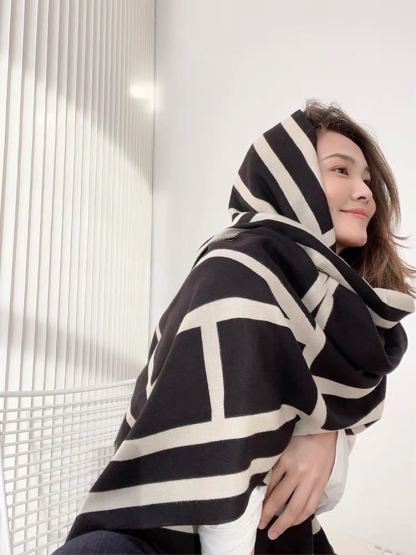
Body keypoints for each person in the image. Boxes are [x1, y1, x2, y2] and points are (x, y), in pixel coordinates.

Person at [53, 100, 415, 555]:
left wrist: (325, 431)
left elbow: (317, 489)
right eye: (341, 170)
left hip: (269, 534)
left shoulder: (338, 311)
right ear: (290, 178)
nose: (365, 192)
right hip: (164, 533)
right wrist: (322, 426)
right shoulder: (239, 270)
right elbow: (223, 454)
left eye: (367, 179)